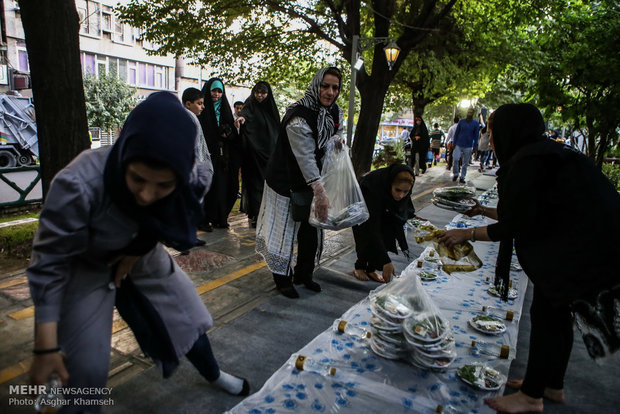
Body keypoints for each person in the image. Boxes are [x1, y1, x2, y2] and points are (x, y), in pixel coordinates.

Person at [27, 92, 250, 414]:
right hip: (85, 263)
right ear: (124, 156)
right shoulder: (79, 182)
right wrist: (45, 345)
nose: (147, 195)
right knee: (86, 369)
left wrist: (136, 250)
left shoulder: (192, 177)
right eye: (137, 179)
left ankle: (214, 374)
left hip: (142, 252)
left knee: (189, 319)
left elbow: (170, 219)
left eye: (162, 186)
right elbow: (49, 261)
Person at [439, 103, 620, 414]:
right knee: (558, 313)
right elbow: (527, 212)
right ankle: (551, 384)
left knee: (549, 315)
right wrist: (482, 211)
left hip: (585, 248)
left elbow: (515, 225)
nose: (490, 139)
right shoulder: (544, 154)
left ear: (510, 132)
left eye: (493, 132)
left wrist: (465, 234)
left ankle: (532, 396)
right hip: (598, 242)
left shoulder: (528, 163)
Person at [256, 67, 344, 298]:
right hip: (286, 180)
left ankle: (304, 274)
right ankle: (282, 279)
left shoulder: (334, 112)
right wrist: (320, 191)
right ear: (317, 85)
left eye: (335, 87)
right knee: (284, 231)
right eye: (325, 86)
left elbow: (334, 137)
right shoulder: (299, 116)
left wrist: (337, 143)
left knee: (311, 230)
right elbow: (304, 156)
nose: (330, 92)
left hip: (313, 180)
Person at [352, 164, 416, 283]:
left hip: (383, 202)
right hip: (362, 203)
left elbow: (404, 206)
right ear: (390, 183)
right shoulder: (373, 186)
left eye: (405, 191)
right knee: (364, 235)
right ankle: (360, 266)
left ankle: (371, 268)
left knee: (387, 230)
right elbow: (371, 227)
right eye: (397, 190)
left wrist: (412, 215)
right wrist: (386, 261)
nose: (401, 195)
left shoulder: (399, 189)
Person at [235, 81, 280, 227]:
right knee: (255, 186)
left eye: (263, 92)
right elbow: (245, 114)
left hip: (269, 156)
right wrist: (242, 118)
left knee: (269, 186)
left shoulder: (271, 108)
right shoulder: (250, 105)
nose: (260, 96)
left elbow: (277, 128)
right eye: (257, 92)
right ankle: (256, 215)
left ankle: (267, 215)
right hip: (254, 155)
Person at [199, 78, 241, 229]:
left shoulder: (225, 110)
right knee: (207, 188)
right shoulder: (202, 110)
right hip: (206, 156)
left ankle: (220, 218)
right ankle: (203, 219)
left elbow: (233, 136)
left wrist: (228, 133)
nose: (216, 94)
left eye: (219, 91)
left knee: (223, 187)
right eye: (213, 91)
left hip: (223, 157)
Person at [182, 87, 214, 235]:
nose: (203, 106)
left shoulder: (187, 116)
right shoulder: (189, 118)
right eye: (199, 103)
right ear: (188, 104)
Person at [451, 108, 479, 183]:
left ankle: (462, 177)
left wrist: (475, 146)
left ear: (473, 113)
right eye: (468, 112)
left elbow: (476, 136)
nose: (469, 113)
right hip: (458, 144)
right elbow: (456, 133)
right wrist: (454, 143)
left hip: (468, 145)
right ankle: (456, 174)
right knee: (456, 159)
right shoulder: (461, 122)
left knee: (465, 163)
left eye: (471, 112)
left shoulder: (475, 123)